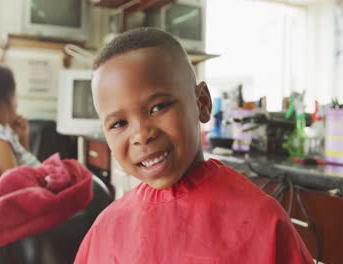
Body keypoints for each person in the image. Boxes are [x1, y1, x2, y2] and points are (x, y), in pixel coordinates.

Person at [74, 28, 313, 263]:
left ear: (202, 103)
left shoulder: (262, 221)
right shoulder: (105, 229)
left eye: (158, 108)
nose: (141, 135)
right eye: (118, 123)